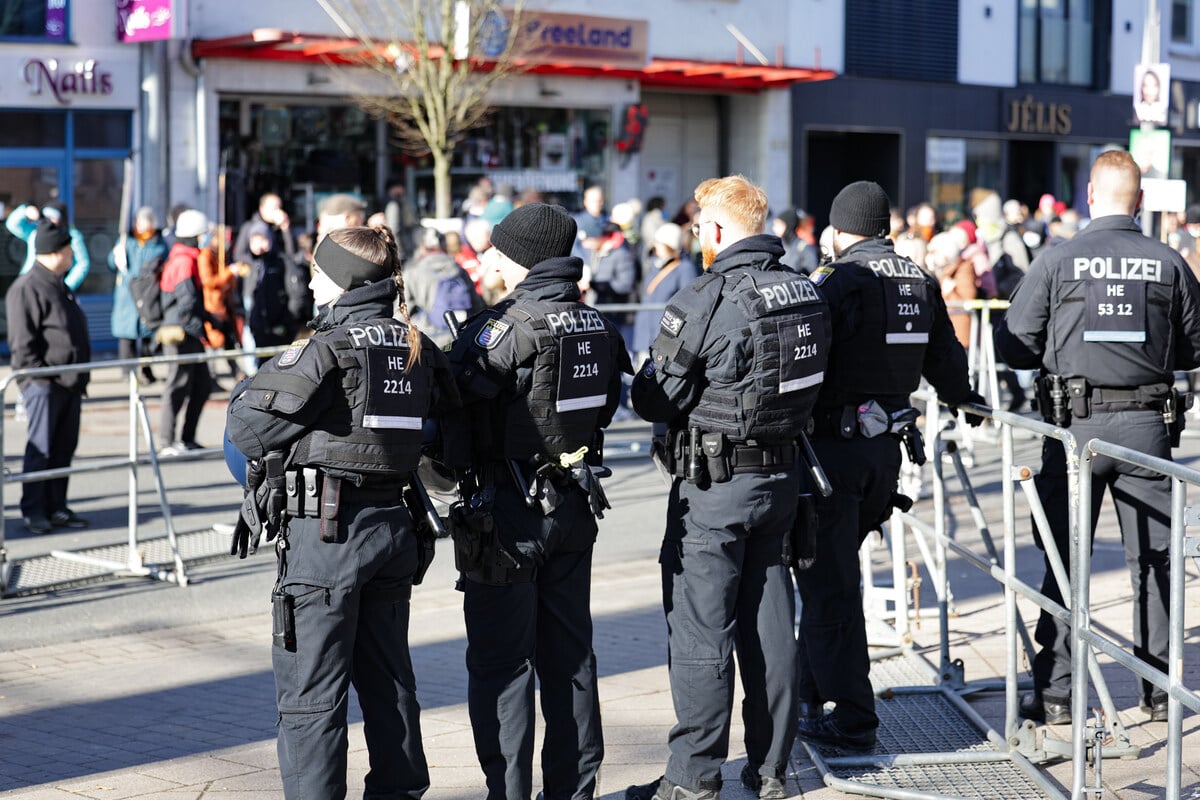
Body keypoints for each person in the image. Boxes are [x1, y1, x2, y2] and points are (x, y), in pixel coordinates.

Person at [226, 224, 460, 799]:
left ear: (340, 280)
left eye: (315, 271)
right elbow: (446, 451)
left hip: (327, 541)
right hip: (394, 532)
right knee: (389, 683)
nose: (308, 280)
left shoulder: (328, 348)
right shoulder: (420, 346)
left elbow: (246, 428)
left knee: (311, 697)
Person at [627, 175, 831, 800]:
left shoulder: (707, 297)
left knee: (702, 631)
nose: (697, 240)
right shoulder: (806, 290)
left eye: (699, 230)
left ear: (716, 230)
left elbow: (653, 397)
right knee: (770, 621)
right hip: (782, 480)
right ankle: (771, 768)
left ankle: (693, 778)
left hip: (714, 489)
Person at [994, 150, 1200, 726]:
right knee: (1155, 561)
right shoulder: (1168, 261)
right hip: (1146, 431)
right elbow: (1196, 346)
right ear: (1138, 201)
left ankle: (1058, 695)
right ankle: (1159, 689)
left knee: (1064, 559)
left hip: (1074, 431)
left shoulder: (1059, 260)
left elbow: (1012, 345)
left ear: (1089, 195)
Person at [445, 202, 629, 800]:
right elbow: (604, 408)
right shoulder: (598, 324)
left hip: (506, 515)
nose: (488, 259)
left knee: (502, 665)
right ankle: (574, 793)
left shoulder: (501, 328)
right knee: (571, 657)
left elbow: (451, 412)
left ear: (521, 259)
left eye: (498, 251)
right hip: (573, 506)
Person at [795, 180, 982, 753]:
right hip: (886, 456)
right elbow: (945, 359)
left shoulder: (837, 280)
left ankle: (852, 718)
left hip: (832, 456)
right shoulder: (917, 278)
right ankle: (806, 693)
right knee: (833, 579)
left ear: (838, 230)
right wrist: (967, 398)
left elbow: (805, 358)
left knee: (831, 589)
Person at [5, 219, 91, 533]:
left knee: (63, 447)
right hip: (46, 384)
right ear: (55, 251)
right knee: (41, 449)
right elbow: (22, 344)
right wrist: (39, 379)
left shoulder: (58, 284)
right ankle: (34, 509)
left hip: (69, 382)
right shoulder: (27, 288)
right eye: (68, 248)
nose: (72, 254)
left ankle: (56, 506)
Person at [158, 209, 215, 456]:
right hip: (179, 333)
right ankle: (166, 442)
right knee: (177, 385)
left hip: (190, 333)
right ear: (193, 235)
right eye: (203, 234)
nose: (207, 238)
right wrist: (203, 328)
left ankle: (187, 438)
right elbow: (186, 305)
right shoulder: (183, 261)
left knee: (202, 384)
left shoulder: (188, 257)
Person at [109, 206, 168, 385]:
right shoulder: (127, 241)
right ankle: (128, 372)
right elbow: (113, 264)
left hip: (147, 294)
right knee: (126, 337)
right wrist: (115, 256)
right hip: (127, 296)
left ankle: (146, 370)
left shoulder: (158, 244)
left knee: (147, 337)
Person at [403, 228, 484, 349]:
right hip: (461, 337)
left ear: (422, 247)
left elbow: (403, 314)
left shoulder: (412, 273)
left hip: (427, 340)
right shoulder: (459, 270)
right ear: (444, 246)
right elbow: (477, 306)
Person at [631, 222, 698, 363]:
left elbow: (688, 303)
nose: (655, 246)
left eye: (660, 243)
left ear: (670, 246)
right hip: (646, 333)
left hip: (665, 337)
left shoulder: (685, 268)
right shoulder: (655, 265)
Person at [6, 201, 91, 291]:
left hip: (53, 286)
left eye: (52, 217)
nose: (49, 220)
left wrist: (65, 287)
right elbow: (12, 225)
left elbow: (82, 263)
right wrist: (25, 211)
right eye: (46, 217)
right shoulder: (35, 232)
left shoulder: (71, 235)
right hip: (30, 283)